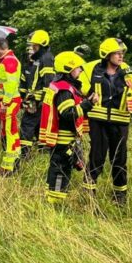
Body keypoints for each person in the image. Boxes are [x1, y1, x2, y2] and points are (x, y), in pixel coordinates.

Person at [83, 38, 132, 206]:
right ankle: (88, 195)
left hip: (120, 122)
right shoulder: (92, 69)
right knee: (96, 158)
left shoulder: (128, 71)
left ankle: (120, 197)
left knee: (119, 160)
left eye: (122, 53)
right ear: (107, 54)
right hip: (98, 121)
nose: (121, 56)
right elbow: (78, 83)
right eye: (117, 53)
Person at [40, 51, 97, 204]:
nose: (80, 71)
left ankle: (51, 198)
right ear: (68, 69)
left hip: (61, 137)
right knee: (61, 169)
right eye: (77, 68)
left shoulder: (61, 86)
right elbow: (68, 114)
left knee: (58, 168)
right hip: (63, 138)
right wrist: (88, 104)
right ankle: (55, 202)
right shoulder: (64, 90)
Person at [18, 30, 54, 158]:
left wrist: (40, 101)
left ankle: (24, 155)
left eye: (35, 45)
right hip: (32, 100)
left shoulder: (46, 58)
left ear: (41, 45)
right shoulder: (35, 60)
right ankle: (43, 154)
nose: (32, 48)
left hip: (38, 101)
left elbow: (48, 82)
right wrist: (23, 99)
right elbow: (25, 82)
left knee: (26, 125)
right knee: (39, 126)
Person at [0, 37, 22, 176]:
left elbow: (11, 84)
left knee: (10, 133)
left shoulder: (9, 61)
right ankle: (14, 162)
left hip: (10, 102)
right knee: (9, 132)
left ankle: (8, 167)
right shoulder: (6, 60)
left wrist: (5, 102)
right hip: (7, 102)